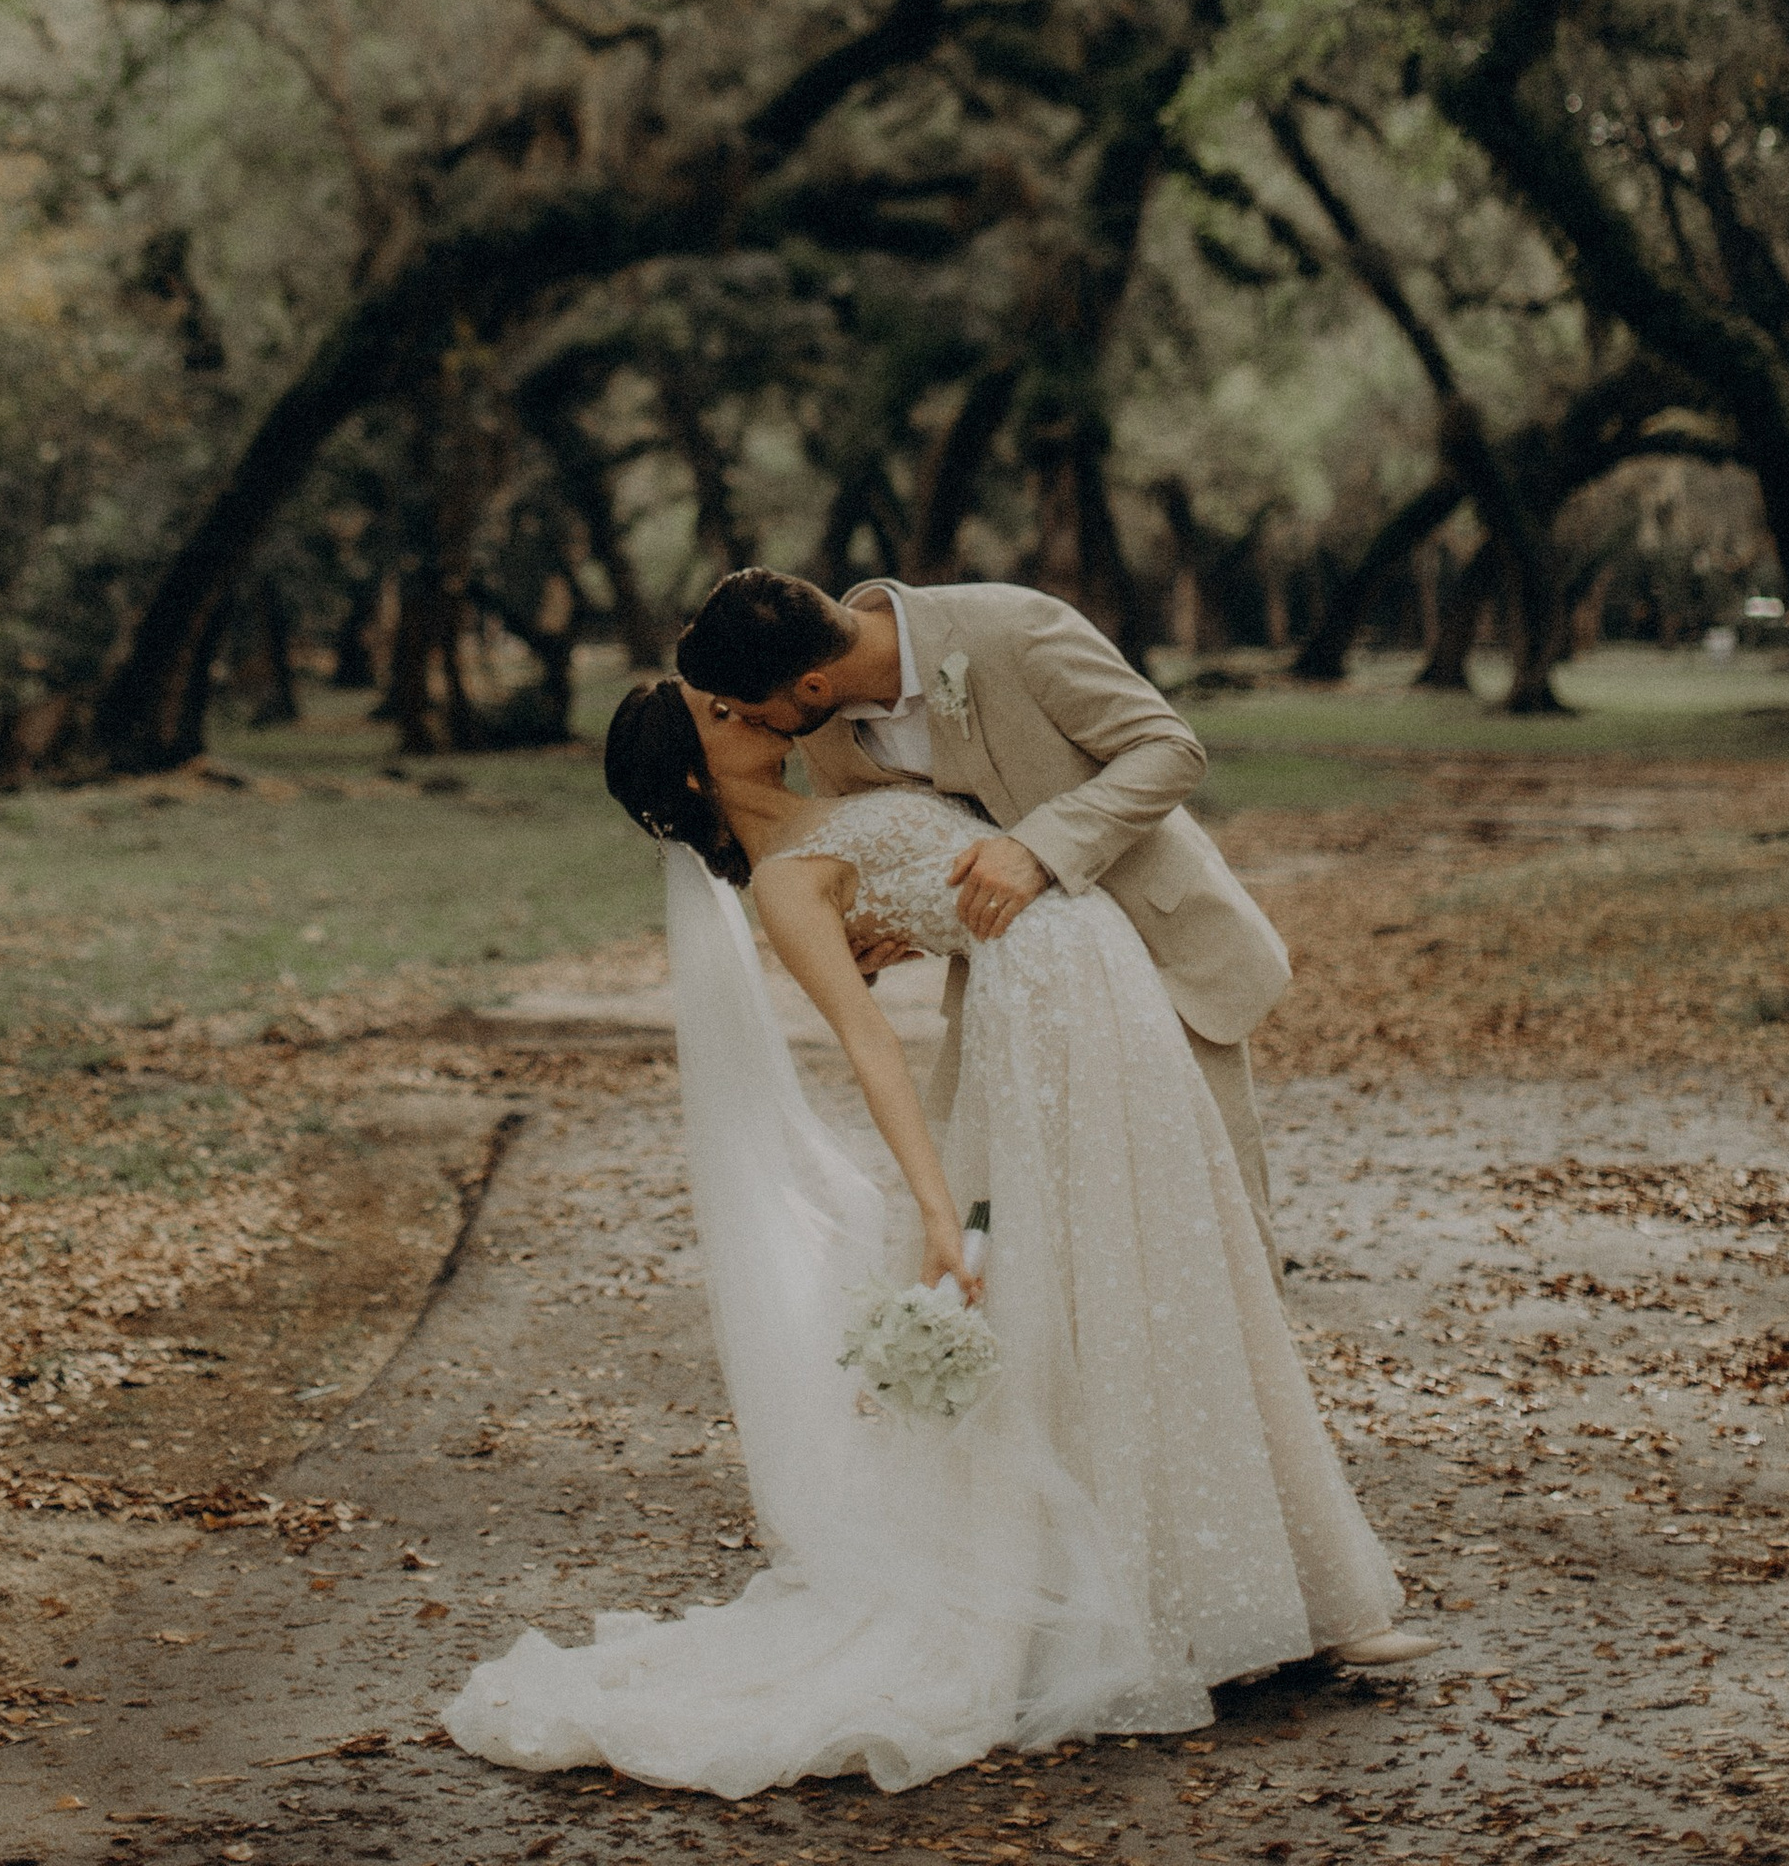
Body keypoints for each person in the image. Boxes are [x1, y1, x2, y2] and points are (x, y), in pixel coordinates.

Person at [443, 610, 1424, 1796]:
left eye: (737, 694)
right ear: (699, 768)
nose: (750, 711)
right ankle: (1155, 1610)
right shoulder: (787, 884)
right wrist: (928, 1205)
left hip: (1108, 991)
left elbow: (953, 880)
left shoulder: (839, 777)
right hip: (1044, 1037)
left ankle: (1278, 1593)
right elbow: (869, 1050)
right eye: (718, 714)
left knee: (1176, 1273)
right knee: (1094, 1292)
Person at [682, 565, 1290, 1257]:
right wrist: (872, 944)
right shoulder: (824, 726)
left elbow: (1169, 748)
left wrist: (1041, 848)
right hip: (1020, 994)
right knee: (1058, 1224)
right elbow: (888, 854)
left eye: (758, 714)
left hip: (1159, 948)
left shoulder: (1013, 628)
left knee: (1220, 1210)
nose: (768, 733)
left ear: (814, 685)